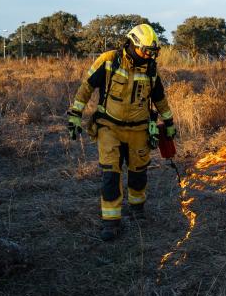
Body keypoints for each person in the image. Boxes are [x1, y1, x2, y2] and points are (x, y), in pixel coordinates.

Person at [66, 23, 176, 241]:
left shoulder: (151, 69)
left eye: (153, 52)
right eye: (146, 50)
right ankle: (111, 222)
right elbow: (86, 87)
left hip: (140, 130)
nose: (149, 56)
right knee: (111, 173)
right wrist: (75, 114)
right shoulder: (109, 60)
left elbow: (160, 98)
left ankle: (137, 211)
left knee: (138, 172)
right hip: (110, 127)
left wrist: (169, 122)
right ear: (133, 44)